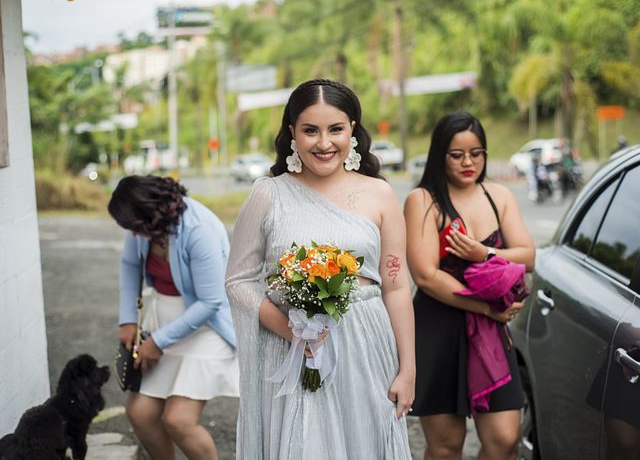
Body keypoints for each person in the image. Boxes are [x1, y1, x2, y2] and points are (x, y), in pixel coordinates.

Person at [225, 78, 415, 459]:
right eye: (311, 130)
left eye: (336, 129)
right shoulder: (268, 194)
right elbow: (238, 281)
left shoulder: (379, 194)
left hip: (367, 346)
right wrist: (295, 331)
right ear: (292, 132)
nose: (324, 143)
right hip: (291, 351)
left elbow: (395, 286)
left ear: (354, 132)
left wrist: (408, 367)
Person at [404, 111, 535, 460]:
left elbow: (528, 256)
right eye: (457, 154)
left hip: (491, 332)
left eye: (476, 153)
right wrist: (485, 307)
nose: (468, 162)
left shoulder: (499, 195)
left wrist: (484, 252)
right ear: (439, 155)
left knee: (505, 439)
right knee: (446, 446)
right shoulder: (423, 200)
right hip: (438, 329)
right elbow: (426, 275)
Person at [109, 175, 239, 460]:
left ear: (148, 215)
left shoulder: (199, 228)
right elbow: (130, 264)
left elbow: (210, 301)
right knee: (140, 413)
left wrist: (157, 342)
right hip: (163, 320)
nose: (132, 234)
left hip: (207, 327)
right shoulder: (145, 226)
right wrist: (128, 320)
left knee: (179, 420)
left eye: (132, 227)